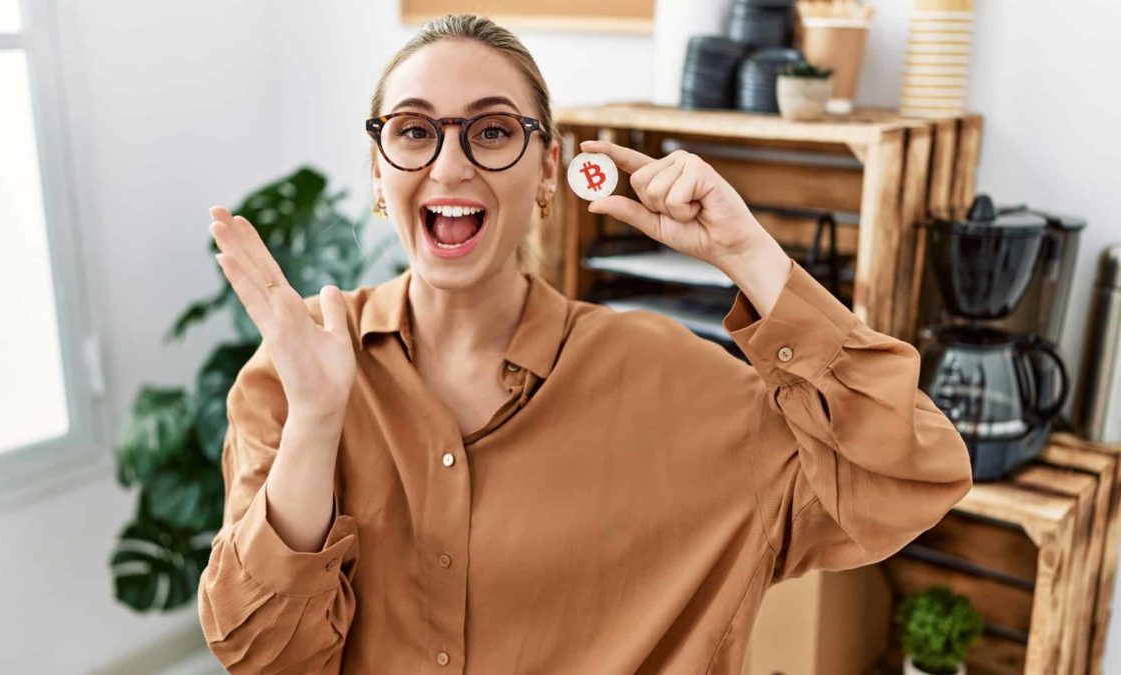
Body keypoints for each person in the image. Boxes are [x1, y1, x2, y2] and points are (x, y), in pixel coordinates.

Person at [197, 13, 973, 675]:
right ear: (377, 170)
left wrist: (750, 255)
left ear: (547, 169)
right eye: (414, 131)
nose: (450, 163)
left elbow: (912, 475)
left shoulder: (676, 386)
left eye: (493, 130)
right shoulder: (293, 378)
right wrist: (316, 421)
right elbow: (264, 655)